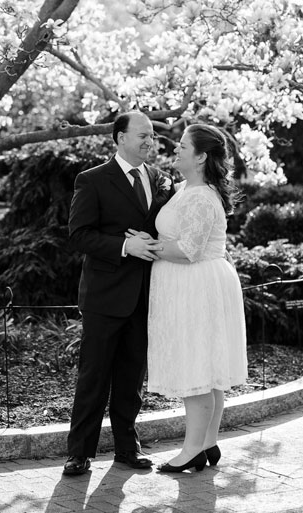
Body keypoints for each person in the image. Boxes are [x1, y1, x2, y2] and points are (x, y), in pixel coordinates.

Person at [63, 111, 174, 476]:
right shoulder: (92, 180)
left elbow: (164, 226)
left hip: (146, 295)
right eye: (142, 135)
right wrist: (126, 247)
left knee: (131, 376)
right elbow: (78, 234)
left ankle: (127, 448)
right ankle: (79, 453)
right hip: (104, 296)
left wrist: (153, 243)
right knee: (93, 377)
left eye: (152, 136)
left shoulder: (159, 179)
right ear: (119, 138)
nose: (149, 141)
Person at [133, 124, 247, 473]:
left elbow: (188, 250)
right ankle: (208, 442)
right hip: (196, 283)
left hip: (196, 286)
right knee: (207, 366)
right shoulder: (186, 188)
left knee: (197, 364)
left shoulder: (199, 196)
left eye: (183, 146)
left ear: (200, 157)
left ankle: (192, 449)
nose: (176, 149)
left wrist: (149, 246)